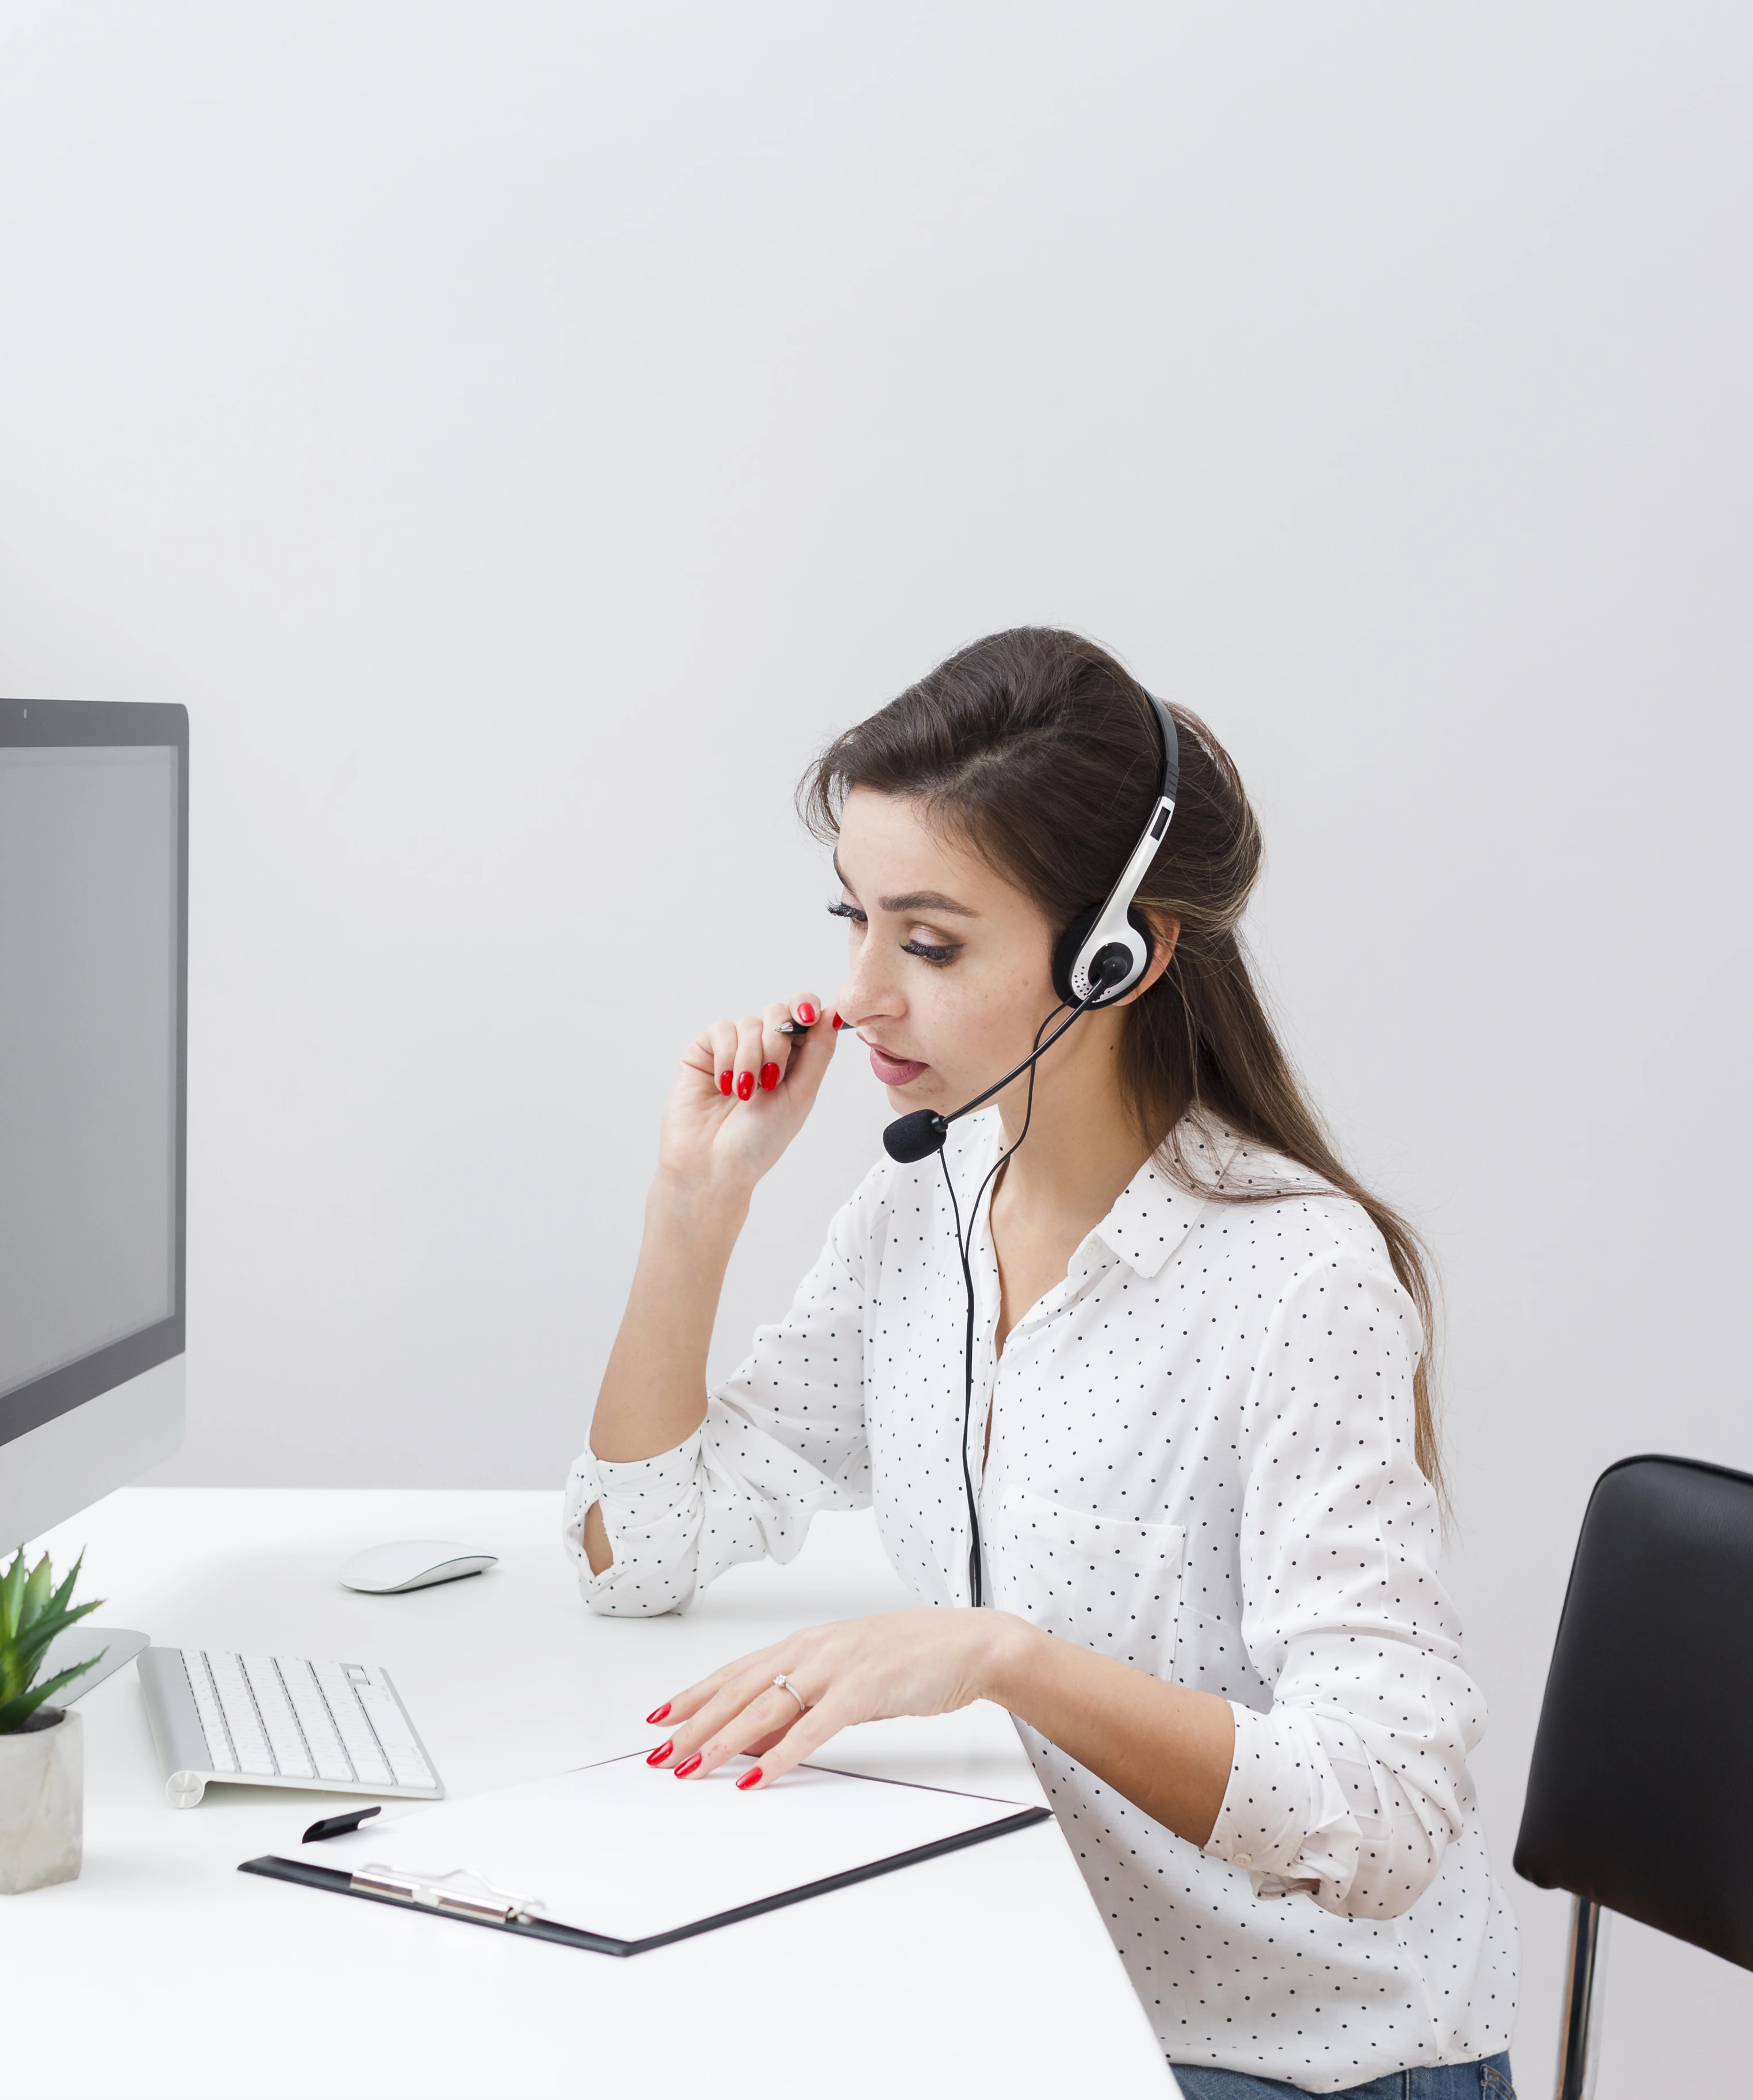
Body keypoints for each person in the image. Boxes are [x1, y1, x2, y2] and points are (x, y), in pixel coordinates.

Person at [568, 629, 1518, 2099]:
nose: (863, 993)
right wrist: (697, 1205)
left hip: (1279, 2057)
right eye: (856, 921)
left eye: (930, 942)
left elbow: (1387, 1813)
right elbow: (634, 1550)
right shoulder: (924, 1207)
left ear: (1119, 956)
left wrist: (1003, 1659)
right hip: (1029, 1988)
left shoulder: (1298, 1283)